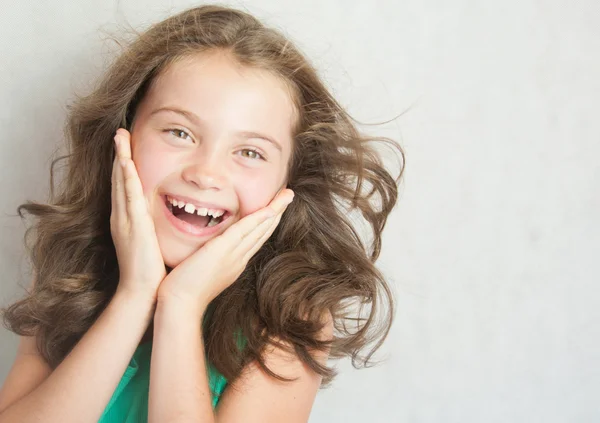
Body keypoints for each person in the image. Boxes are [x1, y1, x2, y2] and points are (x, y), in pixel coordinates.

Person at [0, 4, 404, 422]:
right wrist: (134, 295)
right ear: (123, 135)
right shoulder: (68, 265)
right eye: (179, 132)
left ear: (289, 182)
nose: (206, 174)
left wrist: (181, 306)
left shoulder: (293, 315)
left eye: (250, 152)